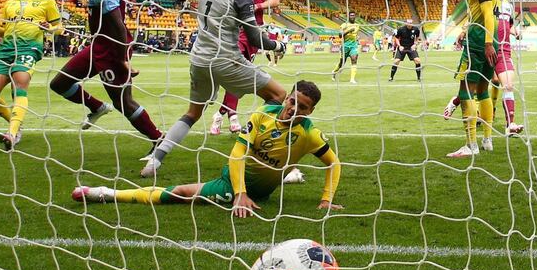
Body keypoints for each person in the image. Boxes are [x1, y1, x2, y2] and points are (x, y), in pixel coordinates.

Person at [75, 81, 341, 218]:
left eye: (302, 107)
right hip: (233, 181)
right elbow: (237, 154)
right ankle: (106, 193)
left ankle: (287, 174)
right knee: (180, 193)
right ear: (288, 98)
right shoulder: (263, 113)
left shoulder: (309, 133)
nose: (294, 109)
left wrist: (326, 199)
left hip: (255, 187)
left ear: (310, 111)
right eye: (292, 102)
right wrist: (240, 194)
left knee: (180, 193)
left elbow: (334, 163)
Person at [140, 0, 287, 178]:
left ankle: (154, 162)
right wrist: (279, 46)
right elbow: (255, 38)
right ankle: (262, 155)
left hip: (199, 59)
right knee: (279, 96)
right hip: (226, 59)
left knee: (192, 113)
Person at [49, 0, 162, 149]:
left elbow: (118, 27)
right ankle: (96, 106)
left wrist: (121, 59)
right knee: (60, 83)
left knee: (124, 103)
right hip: (98, 47)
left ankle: (159, 140)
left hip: (111, 52)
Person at [0, 0, 62, 150]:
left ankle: (11, 133)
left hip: (30, 48)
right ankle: (16, 125)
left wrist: (47, 28)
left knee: (19, 86)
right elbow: (5, 30)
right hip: (6, 49)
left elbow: (59, 28)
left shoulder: (47, 2)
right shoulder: (10, 4)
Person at [211, 0, 280, 135]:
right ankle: (231, 117)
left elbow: (275, 0)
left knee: (240, 75)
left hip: (254, 31)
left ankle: (221, 114)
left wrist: (257, 6)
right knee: (237, 72)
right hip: (235, 30)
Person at [447, 0, 499, 159]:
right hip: (488, 40)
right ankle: (487, 140)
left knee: (465, 91)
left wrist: (486, 43)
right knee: (483, 91)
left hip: (478, 43)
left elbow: (487, 13)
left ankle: (471, 144)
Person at [489, 0, 523, 135]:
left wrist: (515, 32)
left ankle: (510, 125)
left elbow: (508, 25)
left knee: (508, 85)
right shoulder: (486, 2)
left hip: (504, 50)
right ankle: (456, 101)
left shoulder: (508, 5)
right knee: (475, 88)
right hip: (486, 48)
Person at [332, 11, 360, 84]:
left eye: (353, 15)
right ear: (348, 17)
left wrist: (357, 39)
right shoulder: (344, 25)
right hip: (345, 46)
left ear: (355, 16)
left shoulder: (357, 25)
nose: (352, 16)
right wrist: (348, 30)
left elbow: (356, 35)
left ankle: (352, 79)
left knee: (354, 59)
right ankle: (334, 72)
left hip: (353, 46)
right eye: (351, 15)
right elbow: (340, 35)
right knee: (342, 63)